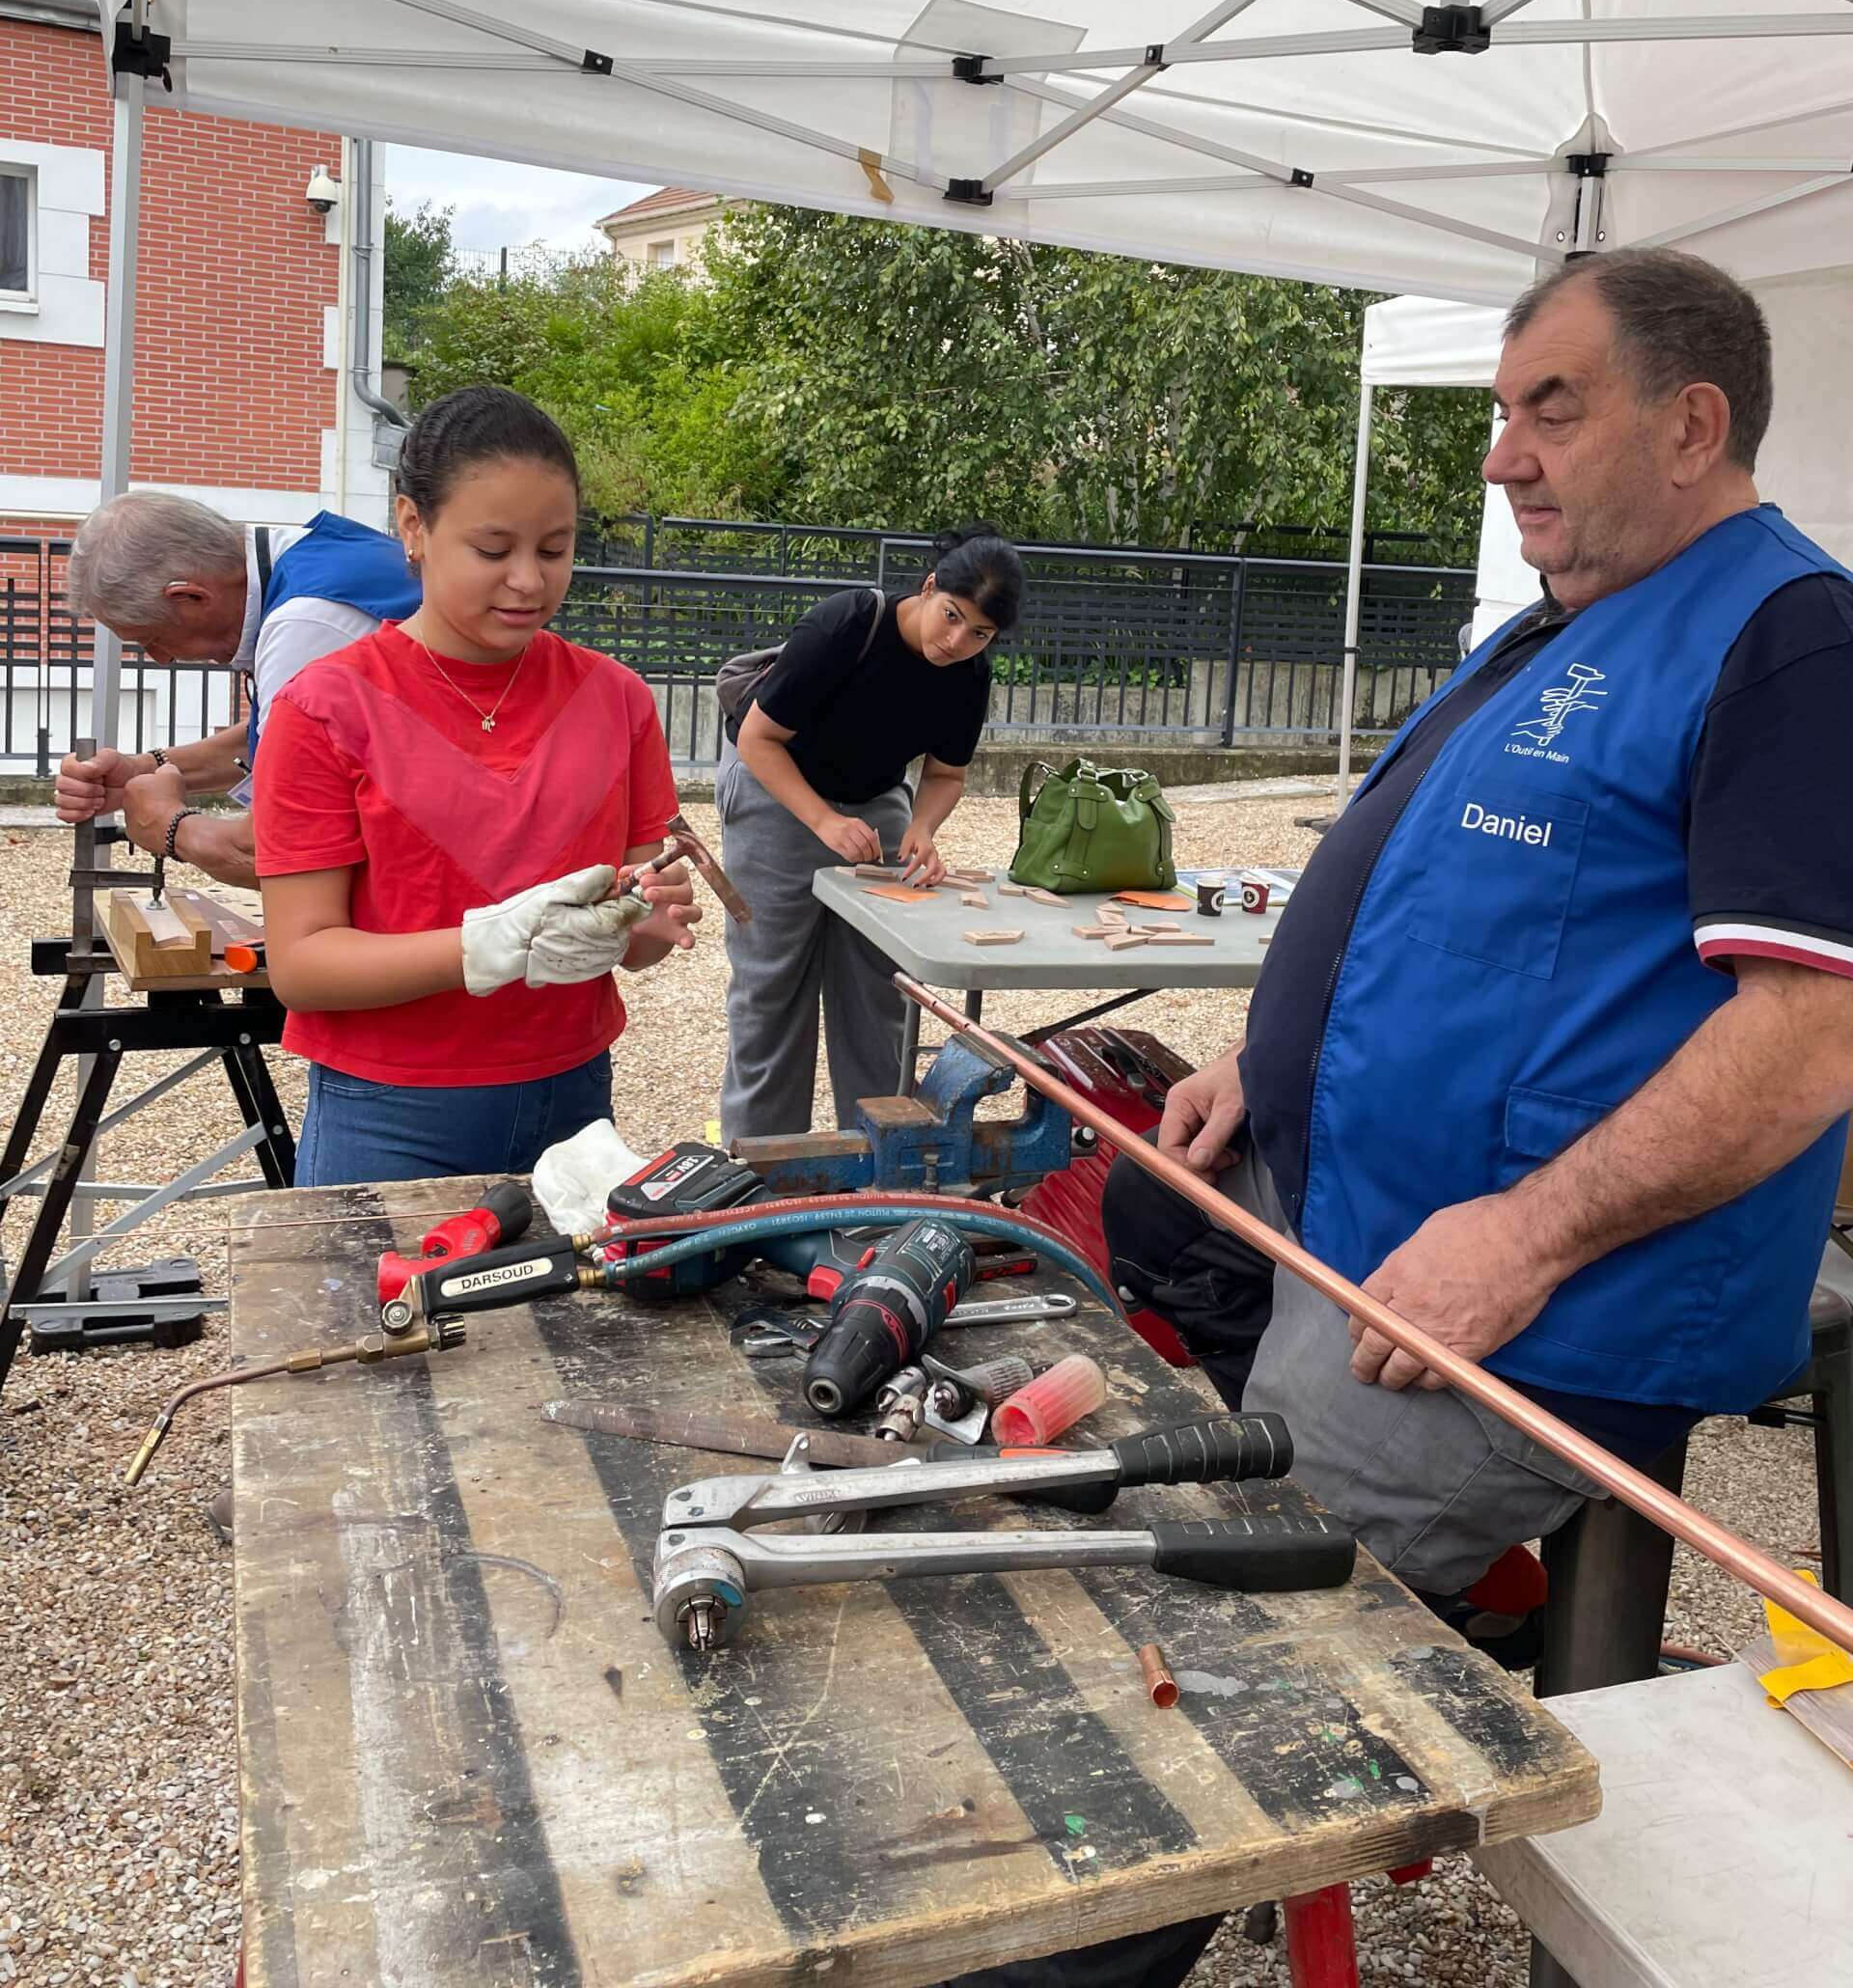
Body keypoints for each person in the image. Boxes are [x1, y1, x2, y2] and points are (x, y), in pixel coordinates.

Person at [965, 248, 1853, 1988]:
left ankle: (1043, 1954)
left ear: (1691, 423)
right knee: (1137, 1524)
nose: (1503, 455)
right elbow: (1464, 915)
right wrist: (1263, 1073)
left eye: (1552, 407)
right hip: (1361, 1226)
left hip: (1523, 1305)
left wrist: (1522, 1241)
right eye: (1503, 410)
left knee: (1214, 1683)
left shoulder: (1787, 640)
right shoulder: (1576, 611)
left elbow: (1810, 1036)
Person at [252, 386, 698, 1185]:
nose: (528, 580)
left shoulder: (617, 697)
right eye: (493, 551)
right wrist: (484, 944)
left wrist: (646, 921)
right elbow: (302, 963)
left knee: (578, 1312)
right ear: (413, 528)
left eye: (555, 549)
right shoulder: (326, 707)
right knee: (372, 1311)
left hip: (573, 1092)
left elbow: (636, 941)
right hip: (388, 1107)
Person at [718, 527, 1023, 1142]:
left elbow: (946, 773)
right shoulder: (848, 623)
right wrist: (824, 821)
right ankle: (766, 1177)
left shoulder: (969, 675)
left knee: (881, 994)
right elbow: (758, 740)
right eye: (952, 617)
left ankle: (876, 1170)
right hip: (777, 787)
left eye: (980, 634)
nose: (957, 642)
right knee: (772, 991)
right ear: (930, 586)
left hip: (874, 798)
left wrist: (922, 827)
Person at [54, 490, 421, 886]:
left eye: (152, 639)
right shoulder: (317, 555)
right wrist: (140, 770)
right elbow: (301, 743)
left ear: (191, 596)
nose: (161, 659)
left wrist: (169, 826)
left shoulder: (306, 623)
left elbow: (286, 855)